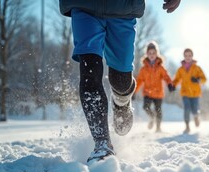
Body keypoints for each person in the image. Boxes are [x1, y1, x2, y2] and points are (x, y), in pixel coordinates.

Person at [58, 0, 182, 162]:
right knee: (90, 74)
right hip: (84, 6)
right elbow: (144, 76)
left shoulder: (159, 66)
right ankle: (102, 144)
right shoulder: (146, 66)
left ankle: (121, 101)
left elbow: (164, 74)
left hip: (123, 8)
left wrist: (170, 83)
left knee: (121, 82)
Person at [134, 41, 175, 133]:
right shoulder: (144, 69)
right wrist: (134, 91)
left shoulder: (160, 67)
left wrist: (170, 84)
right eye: (150, 53)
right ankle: (152, 117)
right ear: (147, 54)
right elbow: (139, 81)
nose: (152, 55)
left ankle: (158, 127)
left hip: (158, 93)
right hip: (147, 93)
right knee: (146, 107)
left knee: (158, 110)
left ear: (157, 53)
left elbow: (166, 76)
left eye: (153, 53)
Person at [172, 48, 207, 133]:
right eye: (186, 55)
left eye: (189, 55)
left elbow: (204, 79)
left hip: (195, 93)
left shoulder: (197, 68)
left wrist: (198, 80)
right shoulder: (180, 69)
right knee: (186, 108)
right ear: (184, 56)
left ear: (192, 56)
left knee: (195, 109)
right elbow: (176, 79)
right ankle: (187, 126)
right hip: (185, 93)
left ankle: (196, 116)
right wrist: (173, 85)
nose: (188, 57)